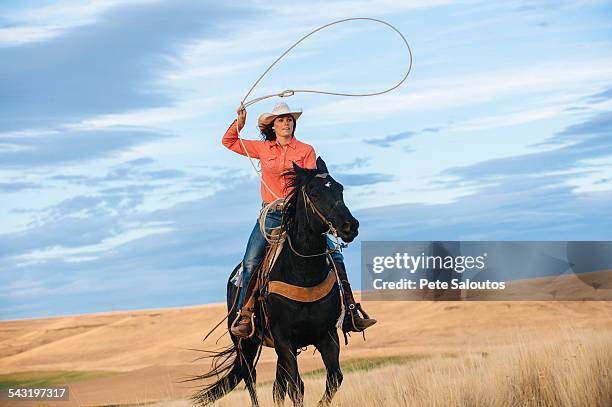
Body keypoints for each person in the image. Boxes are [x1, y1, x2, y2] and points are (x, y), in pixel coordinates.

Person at [222, 101, 376, 338]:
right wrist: (239, 124)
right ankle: (245, 313)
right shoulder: (263, 149)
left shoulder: (305, 150)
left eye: (289, 119)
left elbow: (312, 183)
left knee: (335, 255)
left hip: (300, 216)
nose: (286, 123)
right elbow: (229, 142)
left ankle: (351, 311)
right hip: (271, 214)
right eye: (281, 120)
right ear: (272, 126)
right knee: (251, 260)